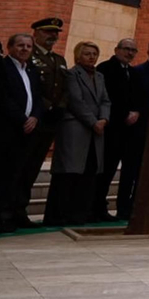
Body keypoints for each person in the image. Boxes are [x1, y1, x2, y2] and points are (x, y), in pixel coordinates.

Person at [43, 42, 110, 226]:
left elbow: (105, 100)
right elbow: (76, 101)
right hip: (76, 128)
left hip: (97, 130)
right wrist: (93, 121)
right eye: (87, 53)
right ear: (78, 56)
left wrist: (104, 119)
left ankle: (80, 214)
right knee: (68, 174)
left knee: (89, 173)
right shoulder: (72, 74)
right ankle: (58, 215)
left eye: (94, 54)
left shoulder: (100, 76)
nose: (91, 57)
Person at [0, 33, 44, 231]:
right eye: (20, 45)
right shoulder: (2, 67)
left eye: (28, 46)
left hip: (28, 130)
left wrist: (35, 117)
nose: (25, 49)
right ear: (10, 47)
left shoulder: (32, 70)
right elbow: (3, 96)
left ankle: (7, 215)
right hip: (7, 128)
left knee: (15, 175)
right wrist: (23, 119)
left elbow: (37, 97)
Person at [19, 16, 68, 224]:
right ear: (36, 32)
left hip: (50, 122)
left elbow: (65, 89)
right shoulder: (30, 56)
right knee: (21, 166)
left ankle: (21, 209)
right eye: (48, 32)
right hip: (33, 118)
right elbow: (32, 88)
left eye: (55, 33)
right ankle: (11, 210)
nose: (52, 36)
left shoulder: (59, 60)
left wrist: (60, 107)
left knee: (33, 167)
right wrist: (46, 106)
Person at [91, 38, 139, 221]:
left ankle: (105, 207)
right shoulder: (105, 69)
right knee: (103, 170)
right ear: (116, 49)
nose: (130, 53)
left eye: (133, 50)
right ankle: (95, 207)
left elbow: (136, 97)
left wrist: (136, 111)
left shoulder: (133, 73)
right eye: (126, 49)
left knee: (112, 170)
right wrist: (124, 114)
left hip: (127, 130)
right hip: (110, 128)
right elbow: (106, 98)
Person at [116, 42, 149, 219]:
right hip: (137, 130)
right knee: (130, 171)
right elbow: (134, 98)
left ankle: (141, 206)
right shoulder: (138, 71)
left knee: (146, 171)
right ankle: (123, 207)